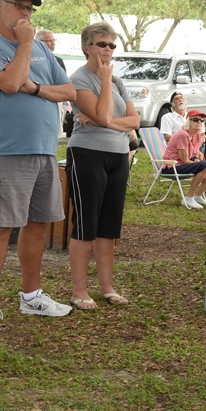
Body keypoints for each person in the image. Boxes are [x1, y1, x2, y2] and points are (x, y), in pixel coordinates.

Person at [0, 0, 76, 338]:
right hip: (5, 150)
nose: (25, 13)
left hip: (44, 148)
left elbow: (69, 91)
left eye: (30, 8)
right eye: (19, 6)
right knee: (0, 226)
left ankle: (31, 295)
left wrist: (36, 87)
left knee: (36, 224)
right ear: (0, 7)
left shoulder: (45, 54)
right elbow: (11, 83)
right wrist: (27, 44)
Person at [66, 21, 140, 310]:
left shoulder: (119, 81)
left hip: (119, 155)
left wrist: (106, 121)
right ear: (87, 47)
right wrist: (105, 89)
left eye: (112, 45)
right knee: (86, 224)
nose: (108, 50)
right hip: (87, 153)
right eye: (102, 44)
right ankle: (79, 290)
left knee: (109, 226)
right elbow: (102, 112)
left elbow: (133, 121)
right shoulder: (80, 78)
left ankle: (107, 287)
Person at [163, 110, 206, 210]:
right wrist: (205, 167)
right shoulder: (183, 135)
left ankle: (198, 196)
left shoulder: (197, 135)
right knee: (205, 165)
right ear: (188, 121)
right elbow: (184, 160)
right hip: (173, 166)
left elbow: (196, 154)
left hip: (185, 164)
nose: (199, 122)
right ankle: (188, 197)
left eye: (201, 120)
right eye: (195, 119)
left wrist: (201, 163)